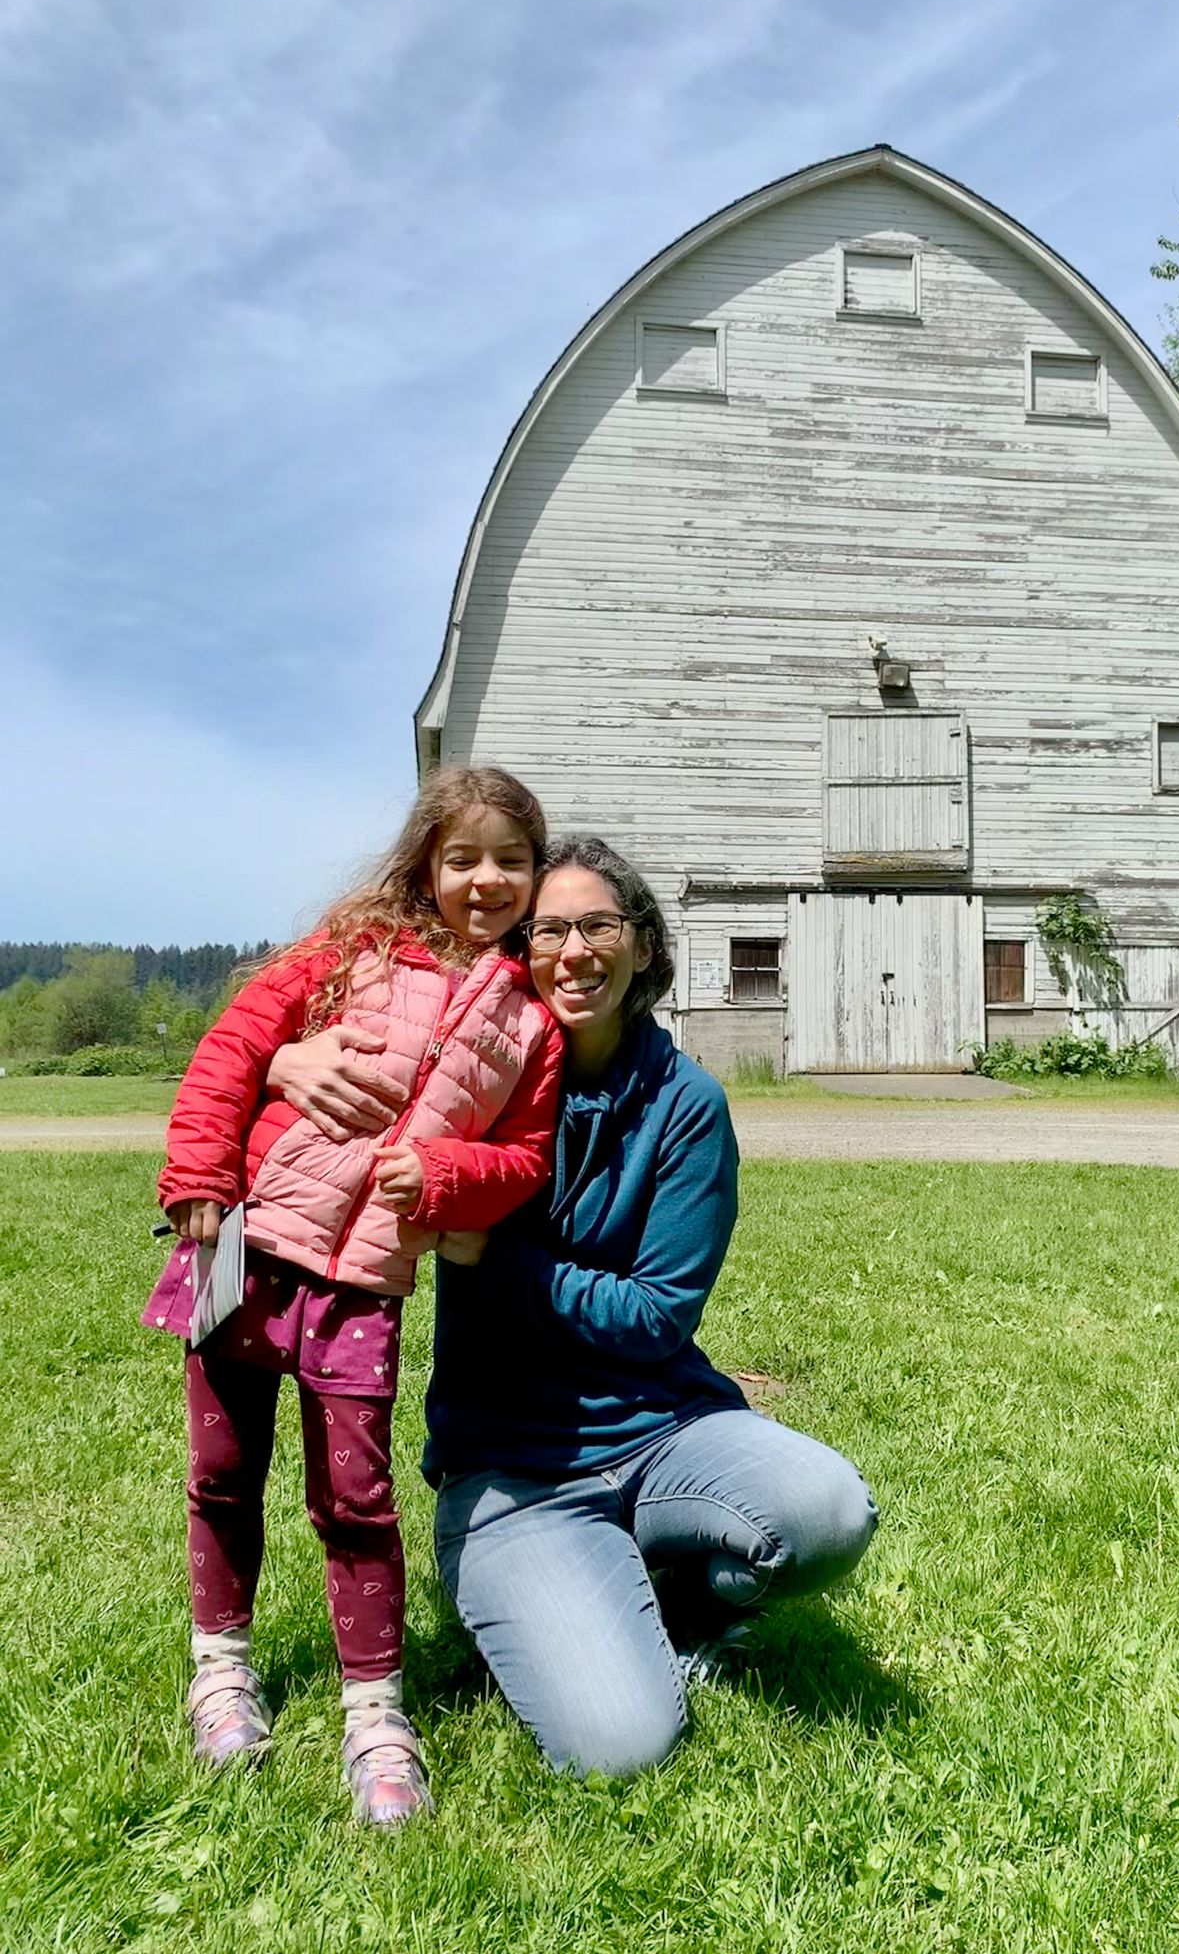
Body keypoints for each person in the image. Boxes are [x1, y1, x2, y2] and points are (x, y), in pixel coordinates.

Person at [270, 835, 877, 1778]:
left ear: (642, 946)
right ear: (520, 954)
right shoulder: (474, 1084)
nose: (573, 950)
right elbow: (319, 1036)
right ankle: (551, 1584)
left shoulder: (686, 1105)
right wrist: (285, 1064)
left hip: (663, 1427)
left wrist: (495, 1260)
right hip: (514, 1468)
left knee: (828, 1511)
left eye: (599, 925)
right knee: (620, 1748)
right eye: (548, 930)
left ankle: (690, 1600)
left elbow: (655, 1318)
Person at [144, 766, 563, 1824]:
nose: (486, 878)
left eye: (510, 859)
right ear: (425, 857)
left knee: (357, 1498)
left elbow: (523, 1155)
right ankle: (221, 1668)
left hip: (367, 1279)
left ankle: (376, 1714)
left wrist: (450, 1178)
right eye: (463, 855)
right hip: (247, 1243)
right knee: (224, 1472)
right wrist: (199, 1175)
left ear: (534, 873)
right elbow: (237, 1044)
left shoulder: (531, 1017)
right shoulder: (352, 945)